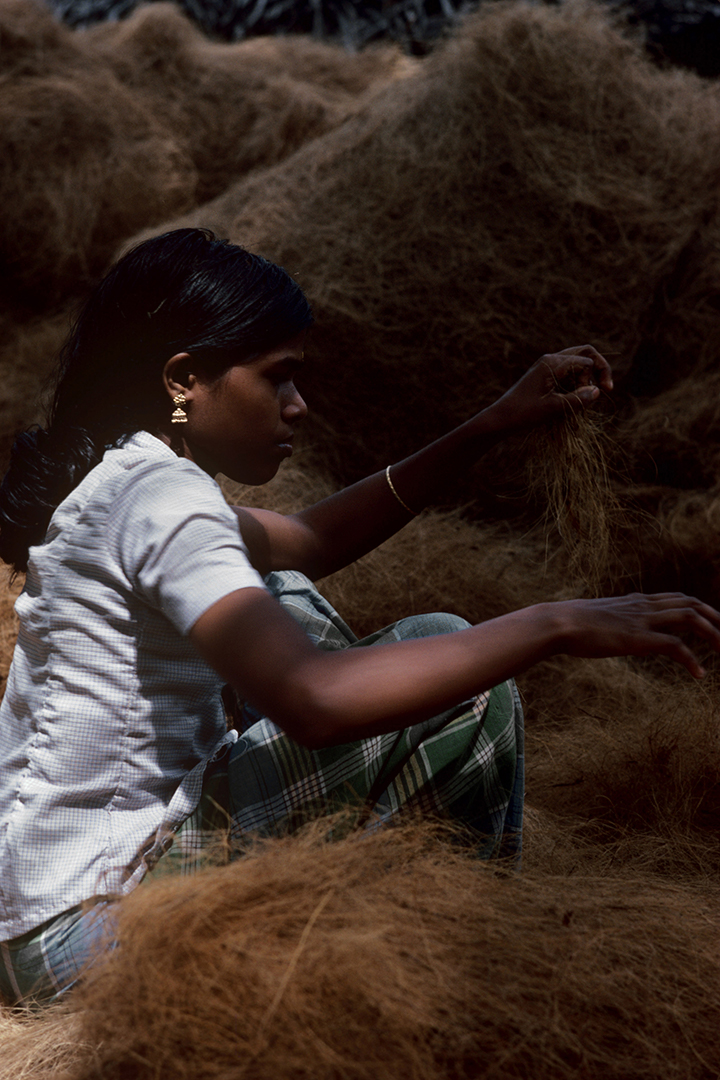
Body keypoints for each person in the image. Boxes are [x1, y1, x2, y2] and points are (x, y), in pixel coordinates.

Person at [0, 228, 718, 1008]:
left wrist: (488, 427)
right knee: (461, 681)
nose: (297, 406)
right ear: (184, 381)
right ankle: (453, 987)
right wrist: (552, 625)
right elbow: (313, 699)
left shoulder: (127, 481)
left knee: (286, 594)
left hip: (35, 918)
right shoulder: (160, 500)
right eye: (278, 378)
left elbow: (307, 541)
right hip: (87, 938)